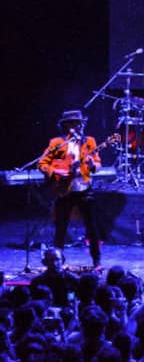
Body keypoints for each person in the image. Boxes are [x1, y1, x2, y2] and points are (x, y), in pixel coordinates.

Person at [38, 110, 104, 267]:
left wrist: (92, 165)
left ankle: (97, 261)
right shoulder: (57, 143)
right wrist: (56, 172)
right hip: (64, 189)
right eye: (75, 123)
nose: (80, 125)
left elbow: (98, 163)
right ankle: (56, 262)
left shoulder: (89, 142)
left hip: (84, 188)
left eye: (80, 122)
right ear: (67, 126)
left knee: (92, 227)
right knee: (61, 227)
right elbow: (42, 164)